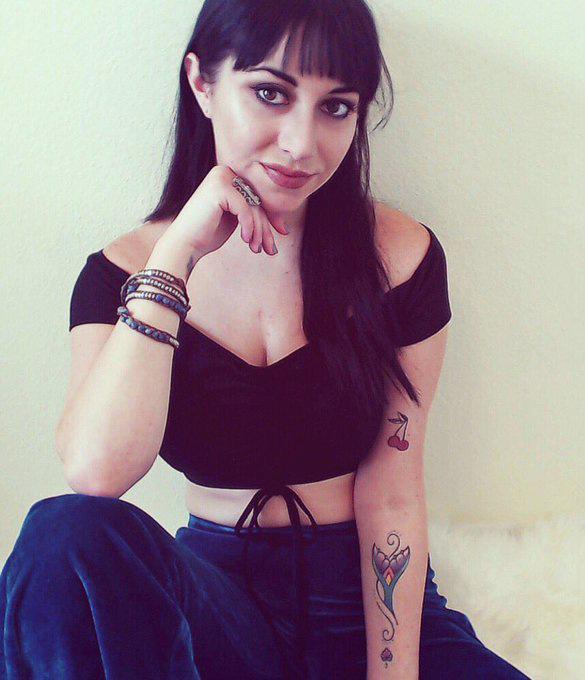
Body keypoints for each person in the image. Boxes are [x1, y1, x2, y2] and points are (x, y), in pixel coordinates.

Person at [0, 1, 531, 679]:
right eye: (271, 94)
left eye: (335, 107)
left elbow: (393, 491)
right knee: (63, 534)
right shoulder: (121, 274)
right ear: (202, 83)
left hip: (362, 598)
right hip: (216, 609)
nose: (301, 143)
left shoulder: (399, 258)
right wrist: (175, 259)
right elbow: (95, 474)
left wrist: (391, 671)